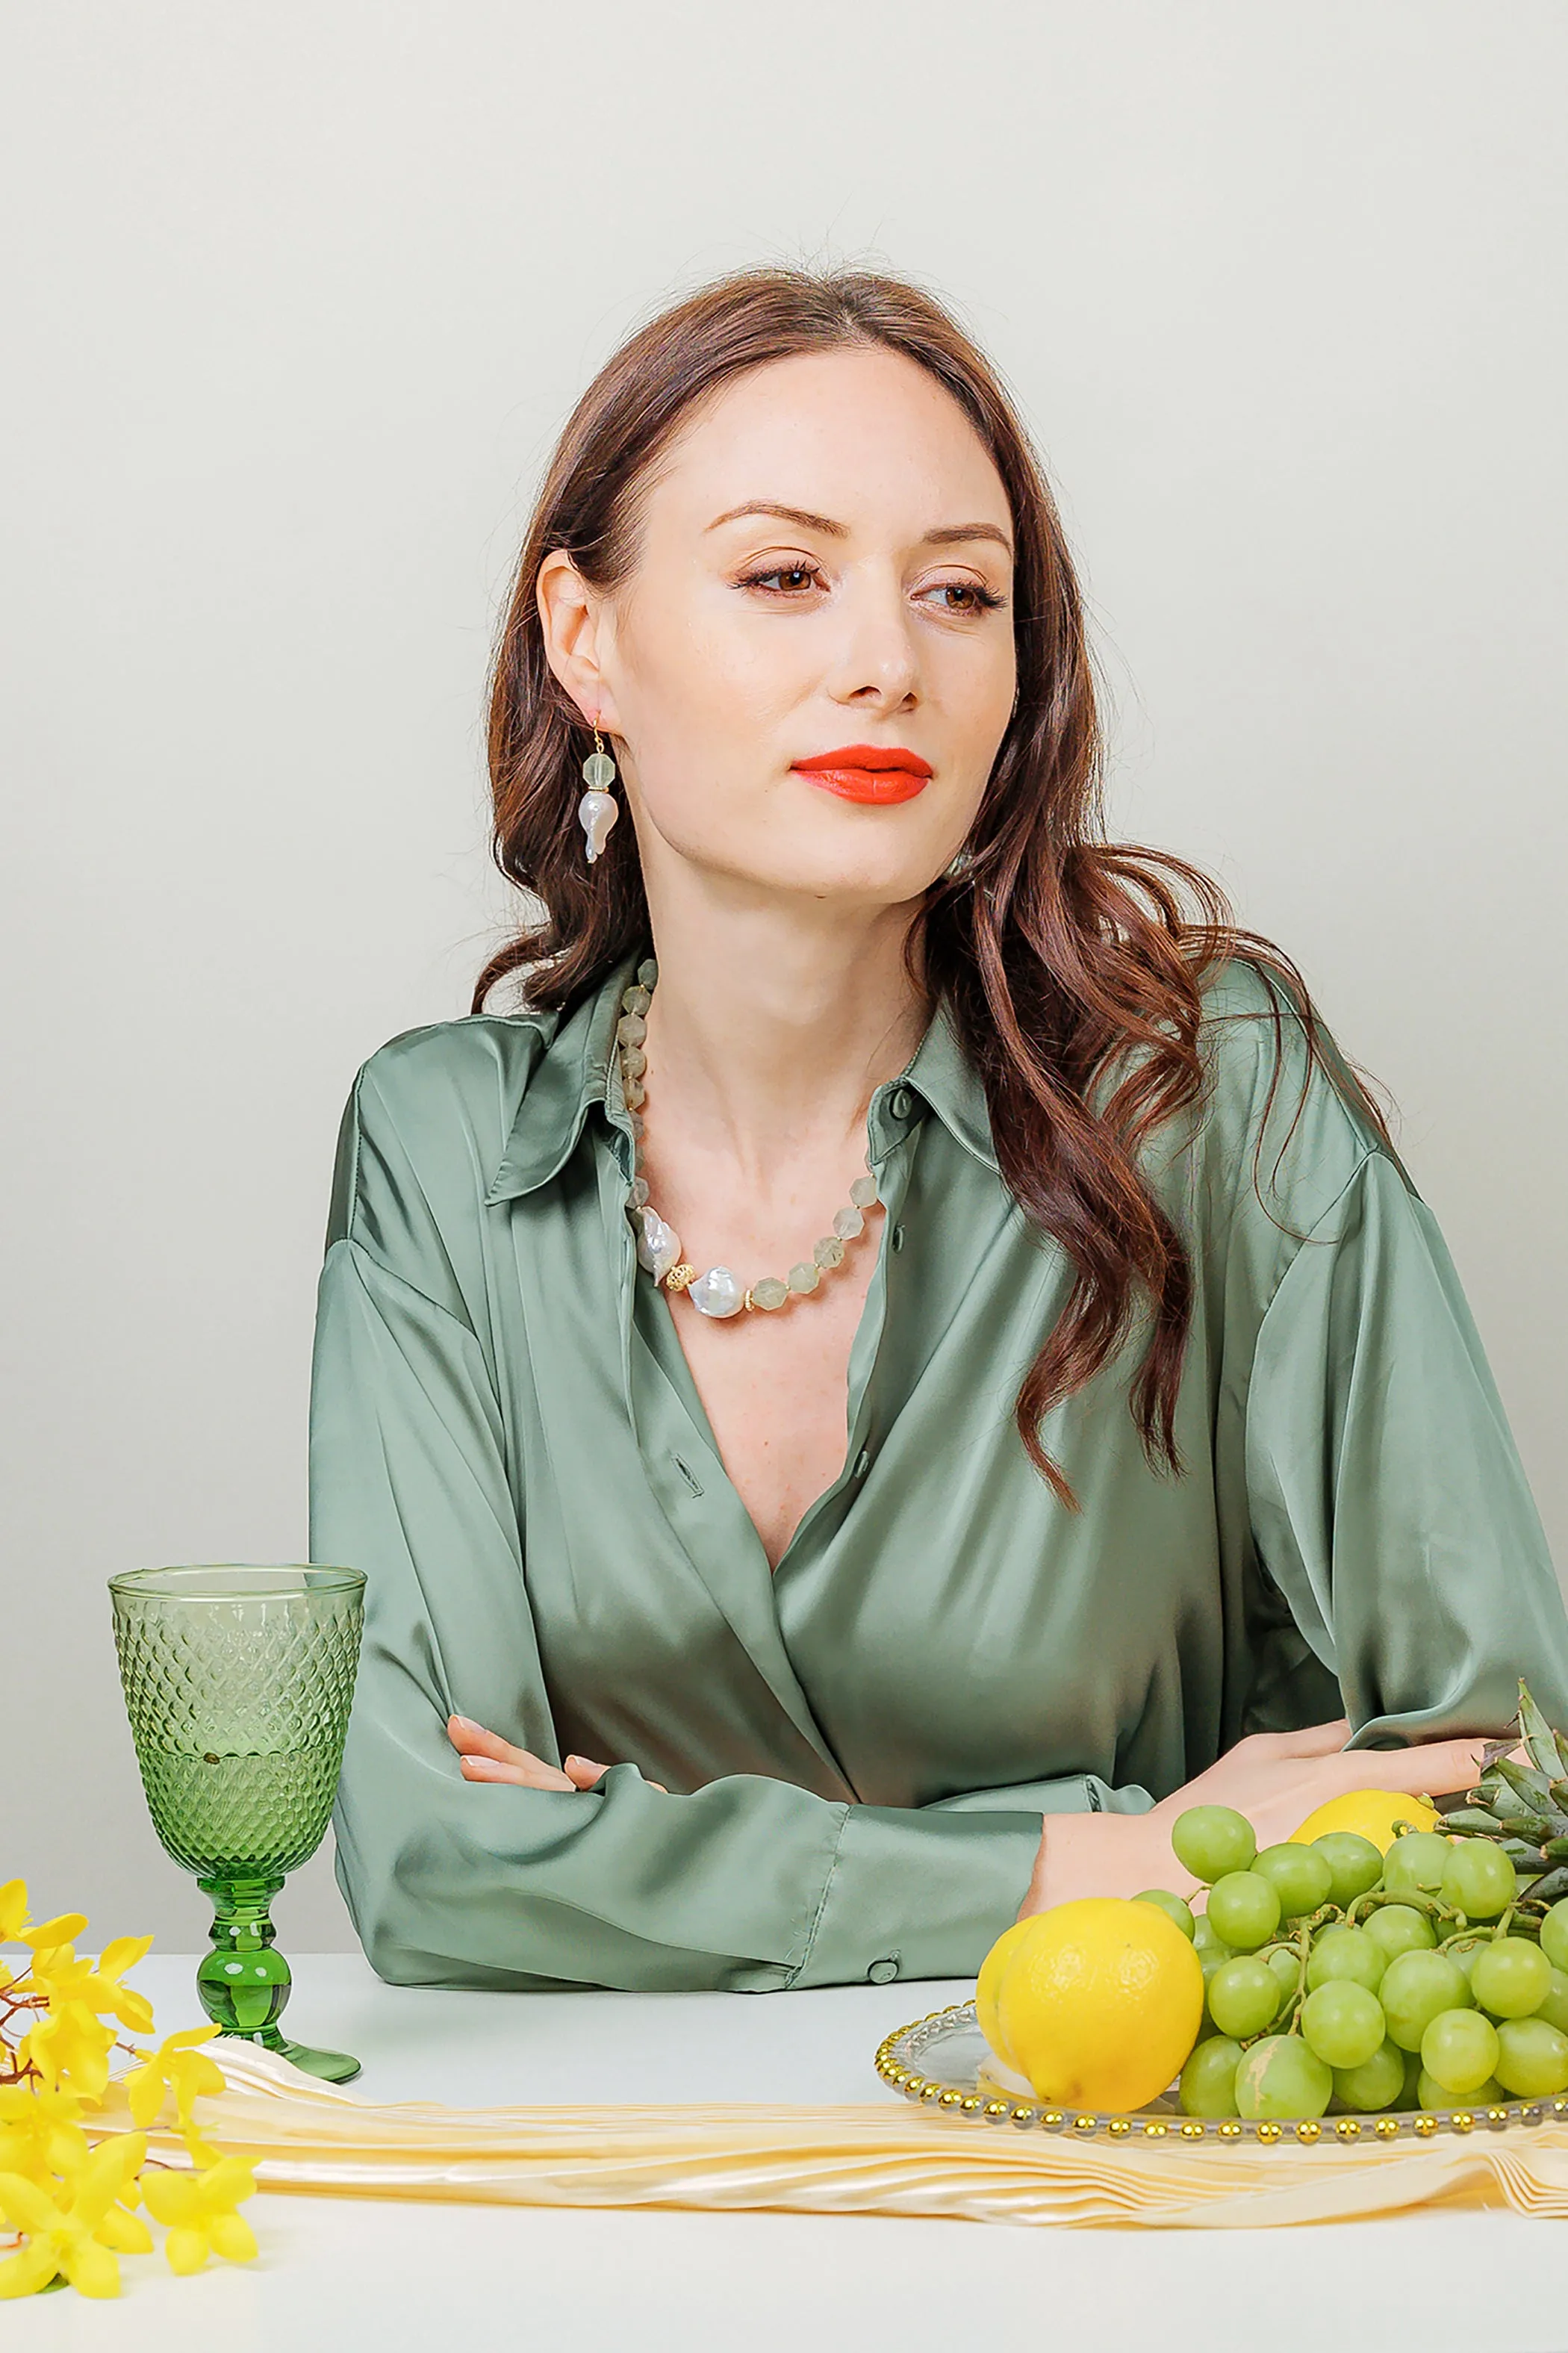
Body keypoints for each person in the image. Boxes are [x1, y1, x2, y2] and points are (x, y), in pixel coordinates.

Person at [308, 265, 1568, 1995]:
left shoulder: (1205, 1095)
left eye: (961, 594)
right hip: (617, 2212)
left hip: (1140, 2207)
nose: (887, 662)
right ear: (583, 638)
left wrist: (639, 1863)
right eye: (783, 577)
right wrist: (1126, 1852)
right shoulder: (438, 1149)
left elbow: (1505, 1796)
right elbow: (439, 1864)